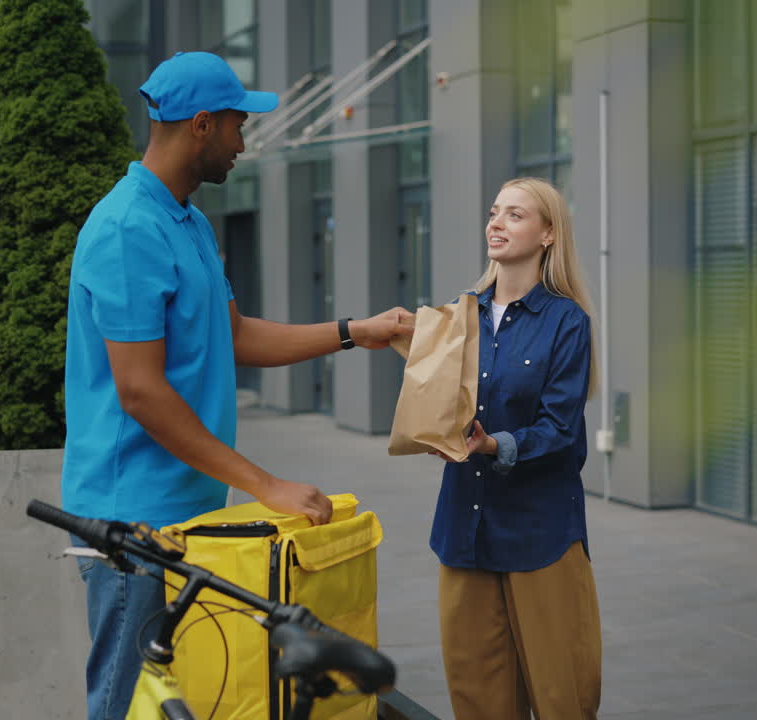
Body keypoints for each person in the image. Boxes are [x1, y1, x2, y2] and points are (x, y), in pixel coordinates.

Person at [61, 52, 413, 720]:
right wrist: (265, 484)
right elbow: (140, 390)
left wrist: (353, 331)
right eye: (237, 125)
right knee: (127, 701)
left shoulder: (189, 222)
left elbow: (237, 335)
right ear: (200, 125)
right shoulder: (126, 229)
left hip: (188, 516)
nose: (244, 143)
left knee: (183, 703)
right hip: (131, 525)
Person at [429, 177, 602, 719]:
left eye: (516, 215)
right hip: (465, 532)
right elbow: (438, 403)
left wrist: (492, 445)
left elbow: (560, 429)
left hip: (540, 537)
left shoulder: (567, 322)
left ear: (548, 234)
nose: (496, 223)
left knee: (562, 697)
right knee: (478, 701)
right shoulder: (458, 316)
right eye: (494, 212)